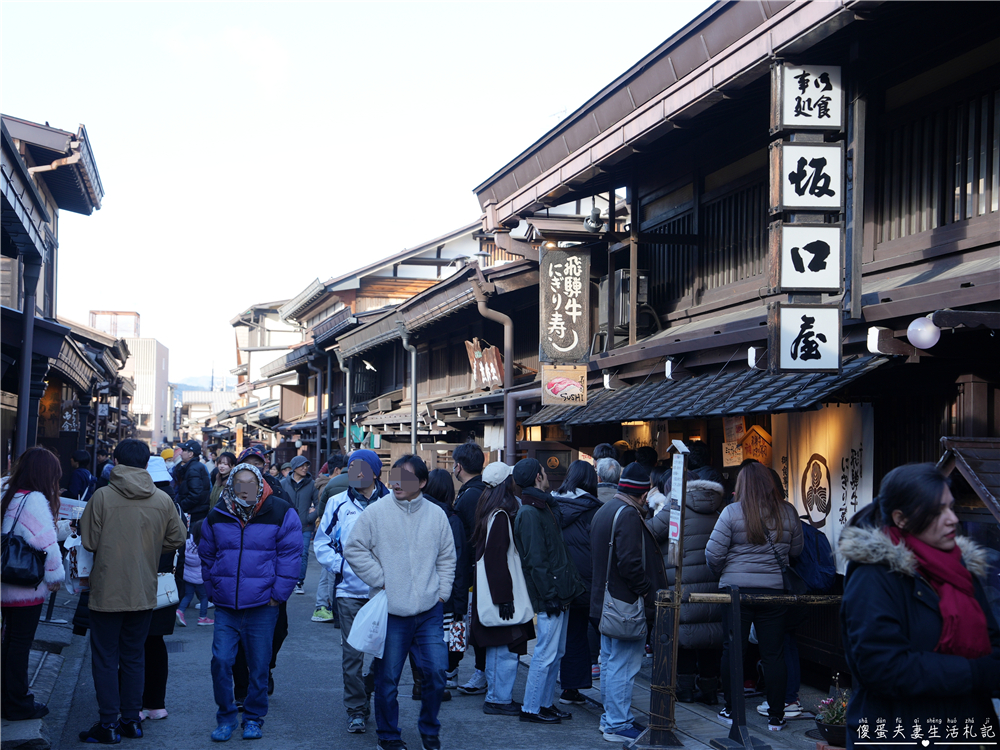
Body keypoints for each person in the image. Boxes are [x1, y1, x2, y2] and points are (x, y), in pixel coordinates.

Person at [839, 464, 1000, 747]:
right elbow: (882, 668)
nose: (952, 519)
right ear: (901, 518)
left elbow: (993, 642)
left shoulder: (961, 567)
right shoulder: (873, 575)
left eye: (951, 507)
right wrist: (974, 673)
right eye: (938, 511)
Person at [78, 439, 186, 744]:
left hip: (107, 588)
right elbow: (178, 538)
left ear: (115, 461)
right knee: (134, 656)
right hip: (143, 589)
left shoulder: (102, 497)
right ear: (146, 463)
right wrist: (150, 551)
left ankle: (108, 723)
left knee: (104, 657)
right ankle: (131, 720)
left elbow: (89, 541)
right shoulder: (162, 499)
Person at [345, 454, 456, 750]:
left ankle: (430, 729)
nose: (397, 483)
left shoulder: (436, 515)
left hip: (430, 609)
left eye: (405, 478)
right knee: (388, 679)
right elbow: (353, 547)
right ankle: (388, 736)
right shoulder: (377, 511)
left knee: (436, 673)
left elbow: (447, 556)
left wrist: (442, 591)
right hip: (391, 610)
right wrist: (380, 578)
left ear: (421, 482)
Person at [199, 462, 302, 742]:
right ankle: (226, 716)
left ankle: (254, 718)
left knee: (259, 666)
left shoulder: (280, 511)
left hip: (263, 606)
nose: (244, 490)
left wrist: (277, 595)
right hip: (226, 606)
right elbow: (206, 556)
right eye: (238, 485)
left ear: (260, 485)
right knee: (220, 661)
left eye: (250, 484)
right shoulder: (218, 514)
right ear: (230, 486)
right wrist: (213, 590)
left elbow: (291, 557)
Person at [705, 461, 803, 731]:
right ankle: (776, 715)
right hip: (774, 592)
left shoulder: (731, 512)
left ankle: (731, 709)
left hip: (736, 592)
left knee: (733, 651)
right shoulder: (788, 512)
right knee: (774, 654)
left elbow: (713, 554)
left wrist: (724, 572)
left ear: (742, 485)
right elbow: (796, 551)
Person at [314, 449, 391, 734]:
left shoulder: (391, 501)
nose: (356, 474)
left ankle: (374, 694)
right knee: (352, 654)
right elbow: (321, 544)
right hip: (348, 591)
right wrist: (342, 566)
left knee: (386, 654)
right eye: (351, 468)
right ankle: (356, 709)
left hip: (385, 592)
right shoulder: (337, 503)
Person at [590, 462, 667, 744]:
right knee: (623, 665)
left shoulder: (605, 510)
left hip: (605, 602)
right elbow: (631, 564)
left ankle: (610, 718)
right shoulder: (628, 515)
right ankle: (618, 723)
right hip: (625, 605)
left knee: (611, 662)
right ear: (642, 493)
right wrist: (647, 591)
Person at [511, 458, 585, 725]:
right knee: (544, 653)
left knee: (557, 652)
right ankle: (531, 708)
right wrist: (550, 594)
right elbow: (536, 560)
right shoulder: (529, 512)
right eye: (543, 471)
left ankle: (544, 703)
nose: (547, 475)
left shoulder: (541, 506)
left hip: (558, 592)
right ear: (536, 478)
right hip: (549, 595)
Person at [647, 469, 725, 705]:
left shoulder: (674, 508)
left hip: (682, 583)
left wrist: (656, 506)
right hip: (714, 583)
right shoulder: (719, 507)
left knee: (685, 637)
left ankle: (685, 689)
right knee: (710, 636)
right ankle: (710, 689)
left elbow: (647, 532)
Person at [0, 447, 65, 721]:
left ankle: (8, 698)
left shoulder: (6, 491)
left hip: (5, 580)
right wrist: (55, 577)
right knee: (20, 644)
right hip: (26, 585)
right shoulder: (35, 499)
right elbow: (46, 544)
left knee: (8, 639)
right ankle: (18, 702)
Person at [470, 476, 535, 717]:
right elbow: (496, 559)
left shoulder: (490, 513)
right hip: (501, 596)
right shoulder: (501, 516)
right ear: (506, 486)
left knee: (499, 647)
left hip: (494, 594)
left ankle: (498, 697)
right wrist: (504, 597)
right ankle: (498, 698)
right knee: (504, 648)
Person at [550, 460, 602, 706]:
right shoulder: (595, 509)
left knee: (571, 634)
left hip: (562, 581)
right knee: (608, 636)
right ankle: (613, 697)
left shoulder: (552, 506)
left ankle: (570, 688)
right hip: (591, 582)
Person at [140, 455, 187, 722]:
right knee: (156, 643)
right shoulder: (175, 505)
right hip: (167, 580)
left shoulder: (146, 502)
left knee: (134, 642)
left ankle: (135, 702)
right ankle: (156, 704)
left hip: (140, 577)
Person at [419, 468, 468, 699]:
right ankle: (438, 682)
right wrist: (459, 604)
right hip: (443, 593)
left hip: (419, 590)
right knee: (443, 640)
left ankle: (422, 683)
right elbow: (457, 563)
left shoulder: (416, 513)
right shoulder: (451, 519)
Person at [451, 442, 489, 696]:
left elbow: (470, 537)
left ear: (459, 466)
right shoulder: (481, 490)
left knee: (470, 622)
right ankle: (475, 670)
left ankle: (476, 671)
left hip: (473, 569)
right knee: (473, 622)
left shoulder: (469, 495)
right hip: (481, 567)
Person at [312, 454, 348, 625]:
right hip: (337, 532)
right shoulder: (340, 484)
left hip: (327, 530)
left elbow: (321, 510)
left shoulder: (324, 484)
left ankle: (322, 606)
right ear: (337, 470)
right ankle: (325, 607)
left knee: (327, 571)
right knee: (330, 573)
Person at [280, 455, 318, 596]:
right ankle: (286, 579)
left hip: (305, 525)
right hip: (286, 526)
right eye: (302, 465)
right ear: (294, 467)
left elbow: (320, 503)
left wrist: (311, 517)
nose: (305, 468)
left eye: (307, 465)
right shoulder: (283, 483)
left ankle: (299, 582)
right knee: (286, 553)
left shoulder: (312, 484)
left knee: (303, 554)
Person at [175, 439, 211, 524]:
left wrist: (181, 505)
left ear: (191, 454)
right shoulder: (193, 467)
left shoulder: (193, 469)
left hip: (194, 514)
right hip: (196, 512)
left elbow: (195, 494)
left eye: (183, 450)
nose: (180, 453)